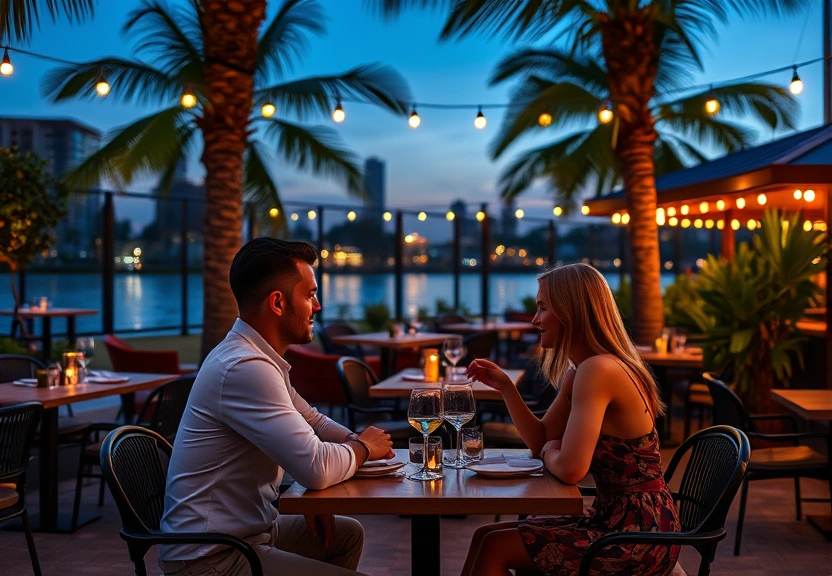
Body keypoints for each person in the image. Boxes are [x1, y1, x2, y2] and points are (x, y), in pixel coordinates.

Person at [159, 238, 394, 576]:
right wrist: (364, 447)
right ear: (278, 302)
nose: (318, 306)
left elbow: (313, 421)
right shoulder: (244, 367)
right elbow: (315, 466)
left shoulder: (257, 357)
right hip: (210, 555)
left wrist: (352, 440)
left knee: (346, 535)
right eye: (310, 295)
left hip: (250, 533)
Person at [463, 263, 681, 576]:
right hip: (615, 518)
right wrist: (507, 389)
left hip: (640, 533)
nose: (535, 319)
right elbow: (541, 440)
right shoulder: (581, 372)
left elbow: (570, 469)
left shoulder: (599, 370)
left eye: (542, 308)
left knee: (495, 546)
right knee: (485, 535)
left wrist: (551, 451)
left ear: (571, 312)